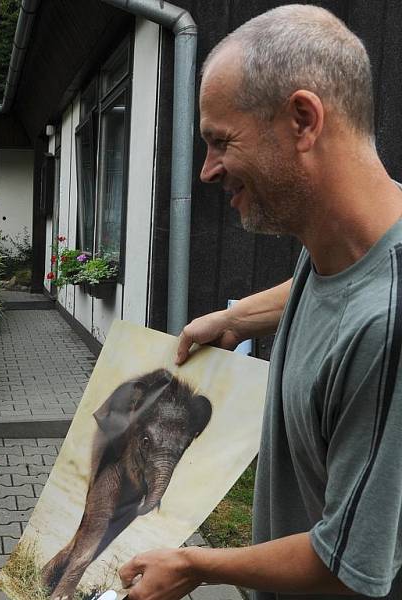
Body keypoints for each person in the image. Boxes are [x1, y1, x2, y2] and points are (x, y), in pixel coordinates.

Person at [117, 5, 402, 600]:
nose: (205, 171)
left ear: (302, 119)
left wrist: (197, 565)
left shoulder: (388, 327)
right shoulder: (348, 235)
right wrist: (237, 316)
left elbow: (346, 567)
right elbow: (336, 283)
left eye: (221, 141)